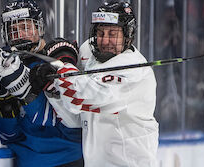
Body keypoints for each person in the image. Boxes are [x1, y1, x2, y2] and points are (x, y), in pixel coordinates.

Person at [32, 1, 159, 167]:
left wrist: (61, 67)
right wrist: (51, 88)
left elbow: (86, 97)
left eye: (113, 34)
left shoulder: (135, 71)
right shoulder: (89, 54)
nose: (105, 41)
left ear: (128, 34)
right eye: (100, 33)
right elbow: (75, 118)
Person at [0, 0, 83, 166]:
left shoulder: (57, 58)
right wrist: (4, 100)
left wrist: (28, 93)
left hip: (67, 159)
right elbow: (9, 135)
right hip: (27, 161)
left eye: (25, 27)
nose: (19, 35)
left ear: (39, 27)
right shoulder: (4, 66)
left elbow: (74, 125)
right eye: (13, 30)